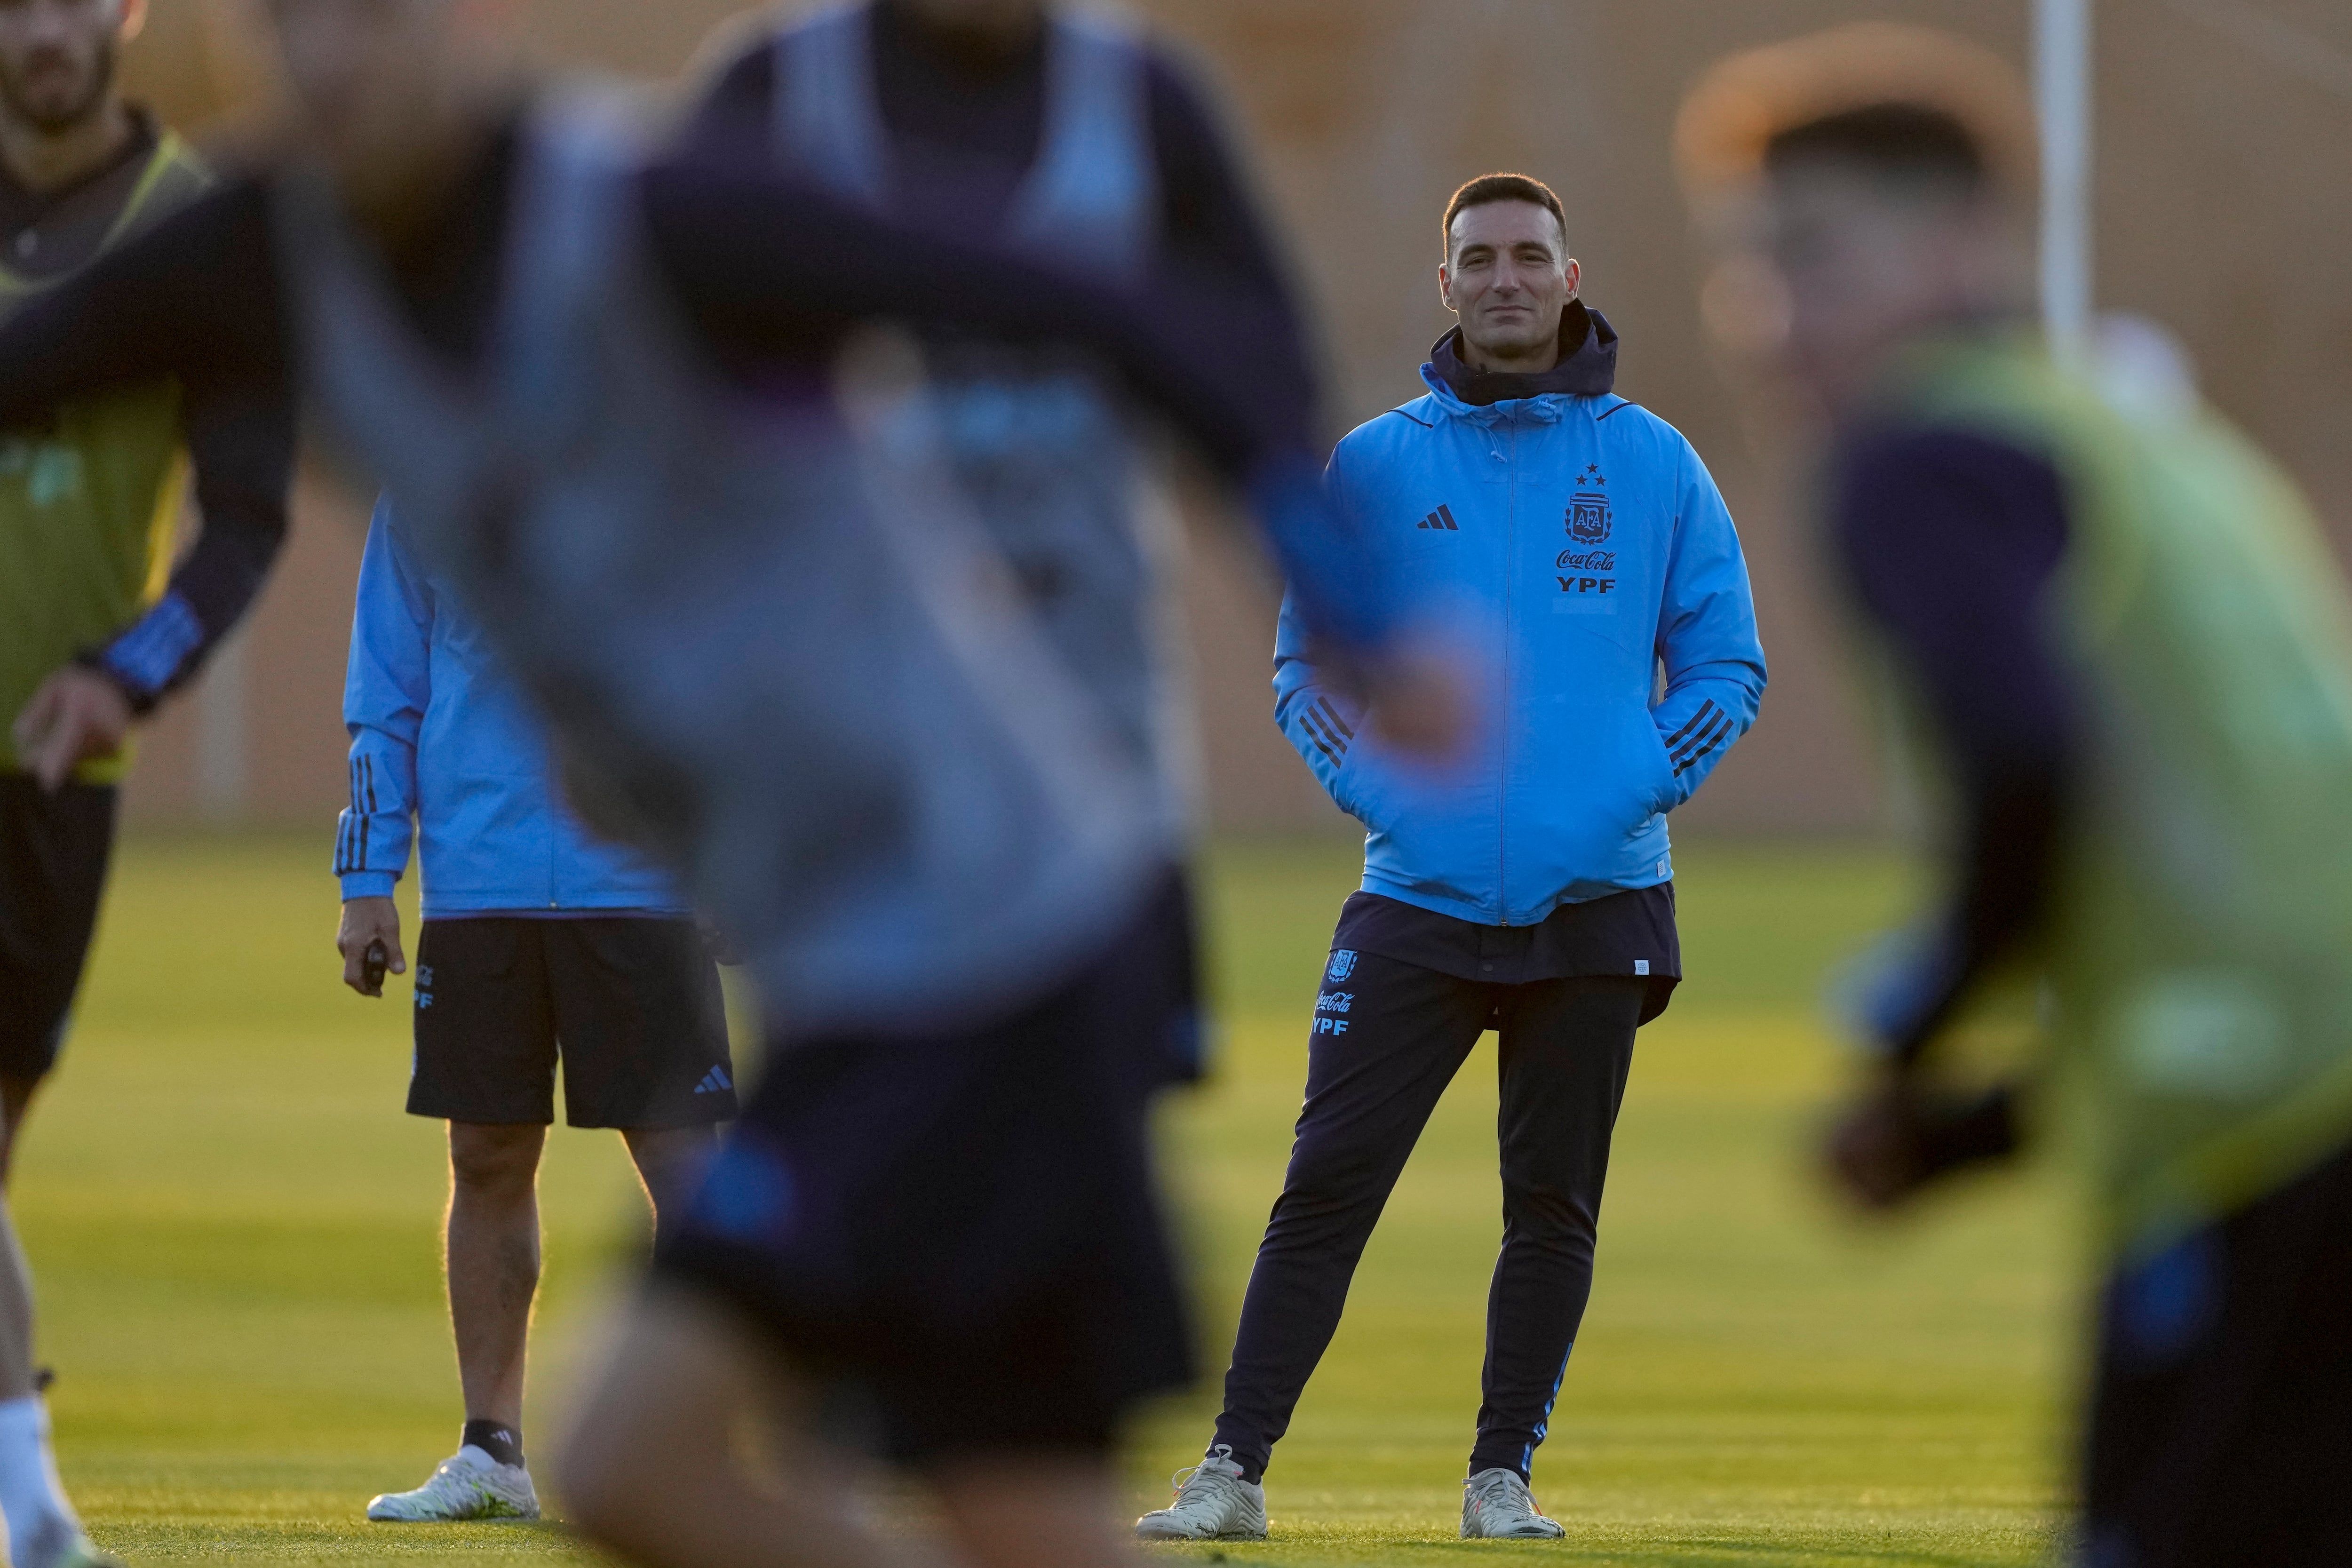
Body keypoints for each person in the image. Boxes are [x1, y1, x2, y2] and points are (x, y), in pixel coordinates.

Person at [0, 1, 1456, 1563]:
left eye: (378, 15)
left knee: (641, 1449)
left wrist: (1361, 604)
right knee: (978, 1510)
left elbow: (1105, 309)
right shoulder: (252, 255)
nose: (332, 62)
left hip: (1001, 931)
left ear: (475, 25)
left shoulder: (656, 218)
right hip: (857, 977)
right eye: (291, 23)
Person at [1676, 25, 2352, 1567]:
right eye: (1748, 269)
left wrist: (1916, 1020)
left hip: (2279, 1160)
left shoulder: (1921, 459)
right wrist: (1972, 1131)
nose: (1778, 318)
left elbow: (2028, 760)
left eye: (1822, 257)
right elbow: (2230, 904)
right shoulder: (2146, 446)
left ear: (1966, 244)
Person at [1139, 171, 1766, 1544]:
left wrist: (1636, 783)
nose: (1503, 277)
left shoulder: (1654, 461)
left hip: (1600, 899)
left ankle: (1500, 1480)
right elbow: (1309, 661)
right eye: (1477, 257)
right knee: (1323, 1186)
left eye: (1527, 255)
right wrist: (1385, 793)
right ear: (1446, 284)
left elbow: (1725, 660)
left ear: (1568, 272)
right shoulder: (1374, 464)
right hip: (1412, 896)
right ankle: (1231, 1471)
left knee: (1551, 1205)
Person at [0, 0, 291, 1563]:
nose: (42, 27)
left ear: (126, 13)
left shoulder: (195, 234)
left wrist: (126, 669)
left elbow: (245, 521)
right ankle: (32, 1501)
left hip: (58, 765)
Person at [331, 495, 736, 1523]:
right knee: (487, 1153)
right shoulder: (419, 478)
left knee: (687, 1160)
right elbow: (387, 691)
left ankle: (710, 1438)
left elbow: (735, 657)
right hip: (480, 880)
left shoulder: (651, 440)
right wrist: (367, 875)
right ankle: (491, 1450)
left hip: (642, 876)